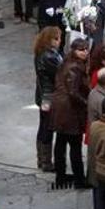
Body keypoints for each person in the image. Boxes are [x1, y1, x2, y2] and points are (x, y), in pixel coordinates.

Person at [51, 38, 90, 189]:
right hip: (70, 111)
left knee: (60, 143)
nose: (85, 52)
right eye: (81, 50)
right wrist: (87, 103)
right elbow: (73, 92)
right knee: (74, 145)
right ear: (74, 51)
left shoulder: (66, 62)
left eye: (86, 49)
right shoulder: (75, 67)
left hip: (60, 109)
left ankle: (60, 176)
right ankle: (79, 179)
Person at [33, 27, 61, 173]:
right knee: (47, 128)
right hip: (48, 97)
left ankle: (41, 159)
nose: (59, 42)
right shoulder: (49, 57)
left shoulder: (41, 53)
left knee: (44, 126)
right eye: (56, 39)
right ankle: (46, 162)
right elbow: (60, 72)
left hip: (43, 95)